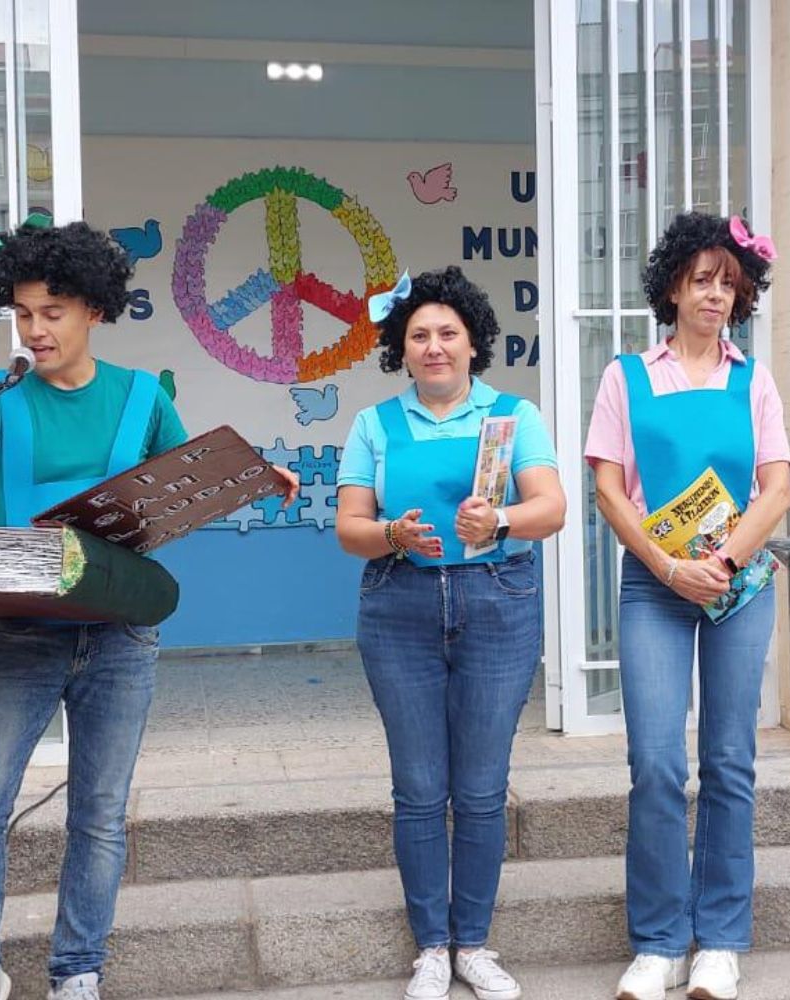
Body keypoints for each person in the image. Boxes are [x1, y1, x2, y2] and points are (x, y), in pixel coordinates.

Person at [0, 218, 297, 1000]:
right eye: (22, 313)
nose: (35, 329)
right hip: (20, 631)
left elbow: (185, 488)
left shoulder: (143, 397)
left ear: (94, 309)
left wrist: (251, 476)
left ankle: (77, 972)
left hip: (120, 636)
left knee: (99, 816)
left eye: (52, 312)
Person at [336, 266, 565, 1000]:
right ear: (400, 350)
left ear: (474, 344)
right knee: (418, 787)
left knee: (482, 786)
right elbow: (349, 529)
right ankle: (431, 946)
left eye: (448, 334)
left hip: (498, 602)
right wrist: (392, 534)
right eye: (419, 336)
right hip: (398, 607)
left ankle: (474, 942)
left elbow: (552, 508)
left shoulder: (513, 417)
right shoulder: (374, 425)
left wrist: (498, 520)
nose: (434, 347)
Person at [584, 213, 790, 1000]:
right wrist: (669, 567)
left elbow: (777, 487)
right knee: (657, 764)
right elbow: (608, 487)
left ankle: (721, 941)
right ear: (672, 285)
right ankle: (659, 940)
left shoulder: (755, 380)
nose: (716, 295)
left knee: (730, 761)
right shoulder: (626, 378)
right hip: (654, 585)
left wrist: (726, 559)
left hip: (738, 586)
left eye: (730, 284)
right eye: (702, 279)